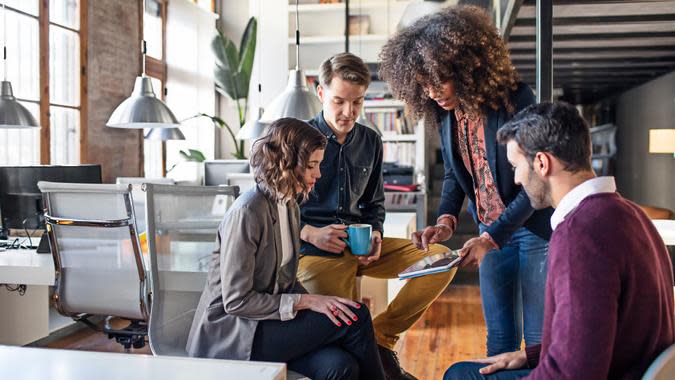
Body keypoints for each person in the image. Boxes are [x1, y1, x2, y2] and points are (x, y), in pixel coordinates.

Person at [445, 101, 675, 379]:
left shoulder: (580, 234)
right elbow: (599, 333)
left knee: (460, 375)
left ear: (542, 163)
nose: (516, 180)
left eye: (516, 166)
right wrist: (528, 356)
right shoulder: (630, 213)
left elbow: (573, 374)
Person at [378, 5, 553, 356]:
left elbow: (535, 182)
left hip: (532, 230)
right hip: (488, 229)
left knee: (538, 340)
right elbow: (456, 174)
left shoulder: (514, 98)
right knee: (500, 339)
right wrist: (445, 220)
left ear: (467, 65)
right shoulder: (446, 114)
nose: (431, 92)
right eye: (423, 84)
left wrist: (491, 237)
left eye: (439, 79)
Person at [186, 118, 385, 380]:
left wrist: (317, 304)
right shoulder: (248, 212)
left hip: (269, 323)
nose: (319, 174)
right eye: (312, 165)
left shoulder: (289, 205)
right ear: (287, 163)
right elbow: (235, 301)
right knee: (355, 317)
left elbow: (285, 282)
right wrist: (308, 301)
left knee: (341, 366)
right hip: (235, 334)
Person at [297, 52, 455, 380]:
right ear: (320, 92)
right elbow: (277, 207)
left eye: (357, 103)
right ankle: (372, 356)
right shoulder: (297, 140)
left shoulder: (370, 140)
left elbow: (374, 203)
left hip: (360, 246)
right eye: (339, 101)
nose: (348, 112)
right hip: (314, 252)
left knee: (442, 259)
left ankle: (381, 338)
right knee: (343, 331)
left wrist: (378, 234)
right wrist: (309, 232)